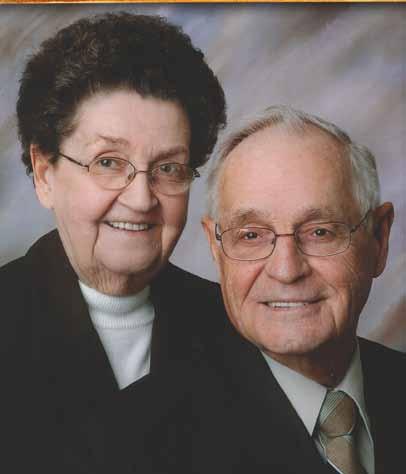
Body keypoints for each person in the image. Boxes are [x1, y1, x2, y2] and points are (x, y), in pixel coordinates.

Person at [0, 12, 226, 473]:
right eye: (108, 162)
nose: (141, 199)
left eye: (168, 168)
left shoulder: (234, 328)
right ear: (44, 174)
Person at [199, 105, 405, 474]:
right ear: (217, 249)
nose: (286, 270)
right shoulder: (141, 438)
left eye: (320, 232)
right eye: (251, 235)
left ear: (379, 239)